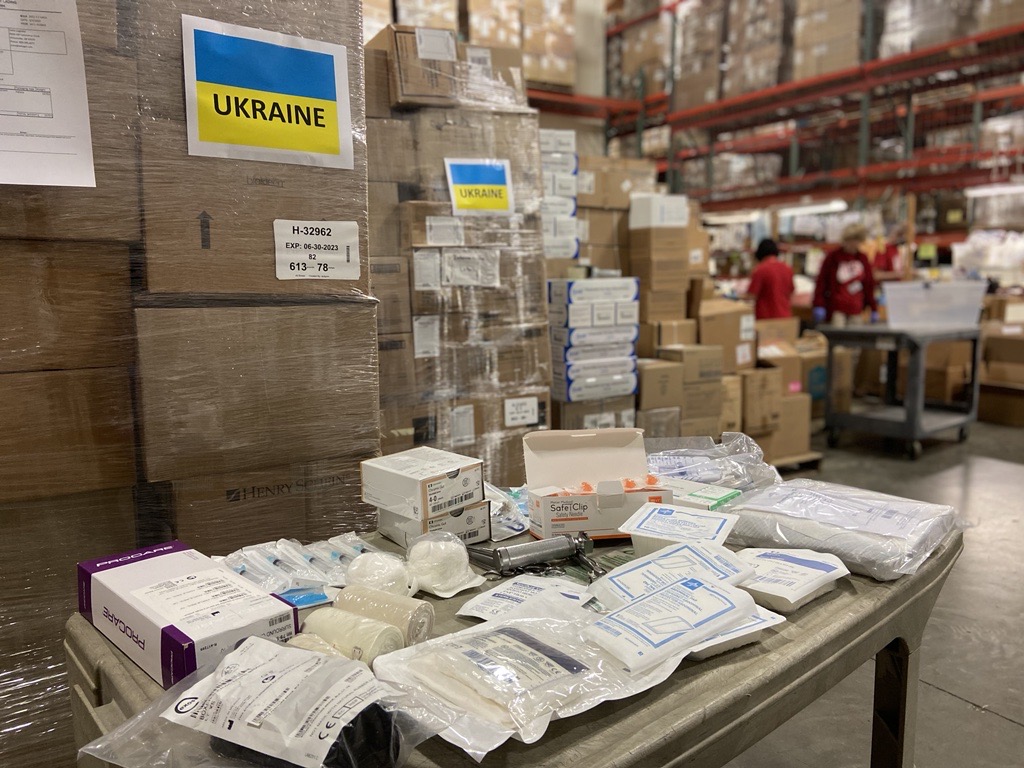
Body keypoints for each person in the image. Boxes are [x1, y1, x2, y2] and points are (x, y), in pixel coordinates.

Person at [813, 223, 879, 326]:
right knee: (838, 337)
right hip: (837, 308)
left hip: (857, 308)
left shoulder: (863, 259)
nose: (853, 244)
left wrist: (873, 307)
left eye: (856, 240)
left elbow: (869, 285)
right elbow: (821, 282)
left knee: (856, 338)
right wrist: (819, 304)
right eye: (850, 240)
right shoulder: (833, 257)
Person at [745, 238, 794, 319]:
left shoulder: (760, 270)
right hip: (786, 317)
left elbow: (751, 295)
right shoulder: (787, 268)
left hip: (767, 319)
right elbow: (791, 291)